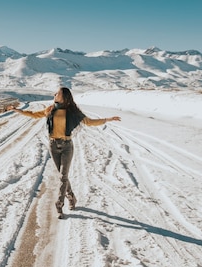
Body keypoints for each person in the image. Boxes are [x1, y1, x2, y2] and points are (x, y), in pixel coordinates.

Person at [8, 87, 121, 219]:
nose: (54, 94)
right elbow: (34, 114)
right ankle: (71, 196)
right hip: (53, 145)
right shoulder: (50, 109)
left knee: (63, 176)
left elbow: (89, 122)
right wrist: (18, 110)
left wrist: (107, 119)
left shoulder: (72, 112)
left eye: (57, 93)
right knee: (63, 176)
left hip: (67, 146)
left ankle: (59, 204)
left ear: (64, 97)